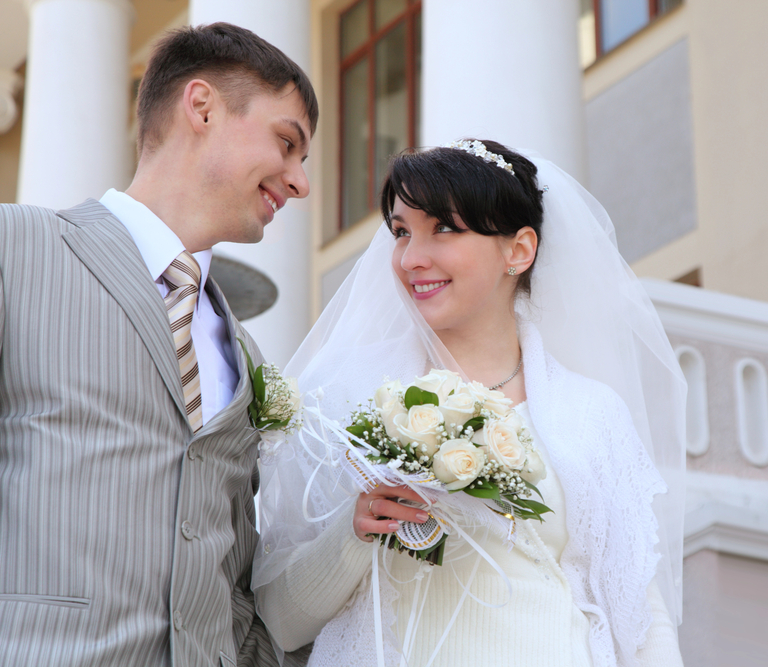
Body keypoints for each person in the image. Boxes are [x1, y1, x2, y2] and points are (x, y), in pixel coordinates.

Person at [253, 140, 687, 666]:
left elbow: (641, 615)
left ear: (518, 250)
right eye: (400, 232)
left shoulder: (592, 413)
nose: (412, 259)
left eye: (444, 228)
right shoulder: (343, 392)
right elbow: (278, 619)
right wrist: (354, 531)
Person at [0, 22, 316, 666]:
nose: (300, 182)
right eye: (287, 143)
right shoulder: (16, 248)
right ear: (201, 106)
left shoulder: (245, 355)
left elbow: (234, 576)